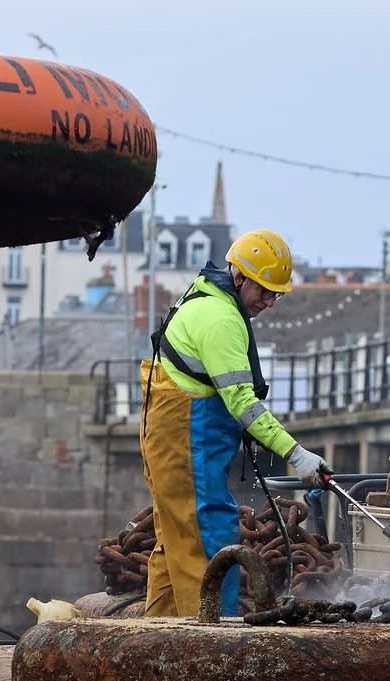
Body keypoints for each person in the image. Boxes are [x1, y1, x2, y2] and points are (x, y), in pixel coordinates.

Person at [140, 228, 327, 618]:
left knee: (173, 542)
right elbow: (243, 402)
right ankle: (212, 648)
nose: (269, 301)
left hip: (173, 437)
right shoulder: (221, 319)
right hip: (189, 440)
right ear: (238, 277)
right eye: (263, 290)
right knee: (210, 541)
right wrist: (297, 454)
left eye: (276, 293)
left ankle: (156, 638)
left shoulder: (206, 298)